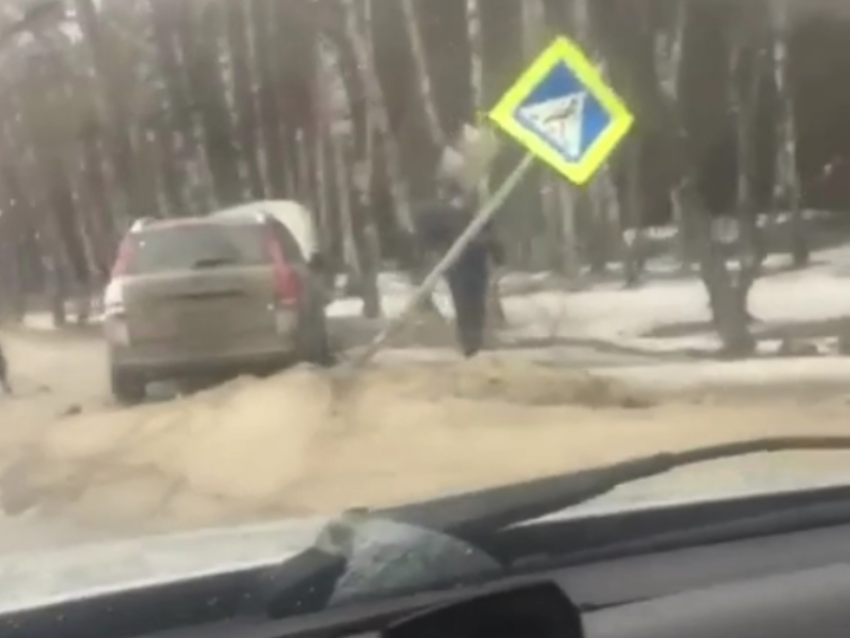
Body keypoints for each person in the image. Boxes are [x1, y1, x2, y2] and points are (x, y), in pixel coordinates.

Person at [412, 184, 504, 357]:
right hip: (459, 265)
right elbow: (432, 237)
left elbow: (492, 237)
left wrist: (498, 256)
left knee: (475, 302)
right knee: (464, 301)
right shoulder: (445, 216)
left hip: (475, 263)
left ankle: (473, 339)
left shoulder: (479, 216)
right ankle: (468, 341)